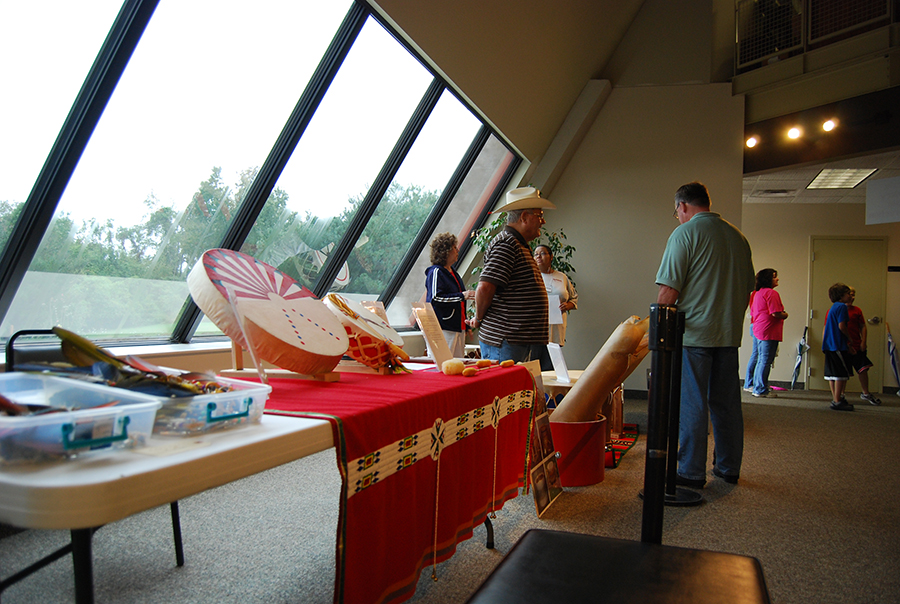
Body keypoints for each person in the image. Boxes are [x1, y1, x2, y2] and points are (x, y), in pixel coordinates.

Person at [655, 182, 754, 488]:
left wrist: (654, 329)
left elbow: (668, 292)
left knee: (692, 403)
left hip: (695, 335)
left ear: (682, 206)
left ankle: (691, 471)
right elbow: (748, 288)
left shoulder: (684, 234)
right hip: (728, 334)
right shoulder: (738, 237)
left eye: (676, 212)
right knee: (726, 404)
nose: (678, 217)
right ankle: (728, 468)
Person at [469, 187, 555, 363]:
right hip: (506, 341)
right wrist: (478, 318)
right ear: (524, 217)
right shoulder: (506, 244)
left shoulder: (517, 244)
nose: (543, 221)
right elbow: (485, 287)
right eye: (539, 215)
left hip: (514, 342)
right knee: (501, 389)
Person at [425, 232, 475, 358]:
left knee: (457, 364)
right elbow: (435, 298)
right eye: (454, 247)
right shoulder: (436, 272)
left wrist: (466, 325)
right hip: (443, 327)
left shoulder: (453, 273)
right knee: (444, 362)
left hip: (457, 327)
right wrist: (462, 295)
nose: (457, 250)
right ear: (445, 251)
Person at [530, 244, 578, 371]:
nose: (538, 256)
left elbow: (574, 298)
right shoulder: (531, 276)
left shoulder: (562, 277)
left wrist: (568, 305)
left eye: (542, 253)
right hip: (535, 330)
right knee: (534, 367)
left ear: (551, 257)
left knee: (551, 369)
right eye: (536, 254)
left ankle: (549, 392)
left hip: (555, 331)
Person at [748, 268, 788, 398]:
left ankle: (758, 386)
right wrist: (785, 314)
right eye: (774, 277)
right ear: (768, 279)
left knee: (761, 359)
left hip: (759, 330)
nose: (777, 279)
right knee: (765, 360)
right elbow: (775, 313)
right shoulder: (771, 293)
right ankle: (760, 389)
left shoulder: (758, 293)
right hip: (768, 330)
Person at [844, 287, 882, 405]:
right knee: (843, 372)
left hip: (857, 345)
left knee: (863, 369)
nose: (852, 297)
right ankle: (841, 395)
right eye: (850, 294)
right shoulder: (839, 310)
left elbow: (863, 326)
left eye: (854, 294)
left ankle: (865, 393)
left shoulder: (857, 310)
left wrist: (863, 341)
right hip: (844, 346)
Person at [822, 282, 855, 411]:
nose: (850, 296)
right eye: (848, 294)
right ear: (841, 296)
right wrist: (849, 339)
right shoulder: (842, 307)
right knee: (841, 374)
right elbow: (842, 326)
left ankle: (836, 397)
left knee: (832, 374)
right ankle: (837, 400)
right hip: (837, 344)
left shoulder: (833, 307)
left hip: (829, 345)